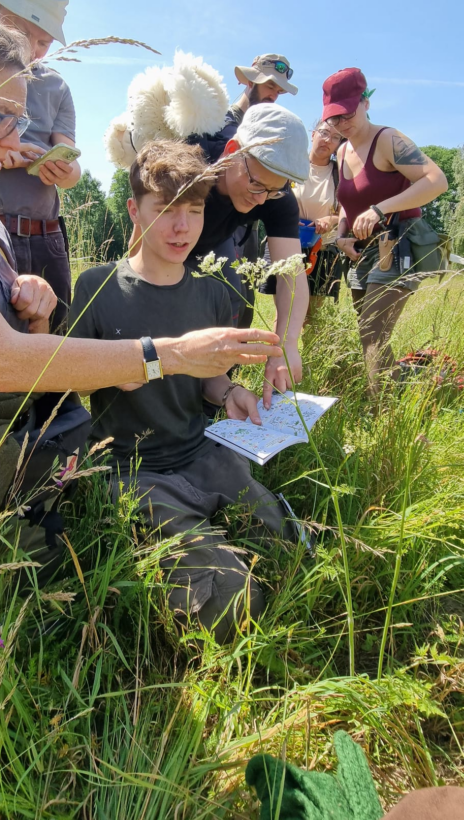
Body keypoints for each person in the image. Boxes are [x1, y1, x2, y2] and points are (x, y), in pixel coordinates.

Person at [0, 0, 282, 633]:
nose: (17, 140)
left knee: (285, 545)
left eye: (21, 120)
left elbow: (24, 359)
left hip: (12, 458)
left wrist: (34, 308)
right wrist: (170, 355)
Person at [70, 140, 298, 642]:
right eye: (165, 210)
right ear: (134, 210)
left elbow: (208, 376)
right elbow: (70, 378)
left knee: (288, 546)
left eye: (194, 211)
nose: (182, 228)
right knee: (232, 604)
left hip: (202, 452)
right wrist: (119, 369)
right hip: (134, 470)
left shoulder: (212, 289)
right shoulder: (97, 287)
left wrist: (228, 393)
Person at [323, 68, 448, 391]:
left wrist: (381, 208)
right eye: (334, 118)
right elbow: (347, 205)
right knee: (369, 333)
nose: (342, 123)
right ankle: (417, 388)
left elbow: (437, 180)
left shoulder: (388, 140)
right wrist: (341, 236)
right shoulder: (342, 151)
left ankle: (381, 412)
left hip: (398, 242)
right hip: (362, 251)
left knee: (373, 333)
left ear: (366, 102)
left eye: (348, 113)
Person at [0, 0, 80, 332]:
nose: (33, 49)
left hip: (47, 237)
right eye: (23, 33)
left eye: (44, 41)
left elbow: (73, 170)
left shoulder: (56, 87)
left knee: (56, 335)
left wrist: (63, 168)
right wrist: (7, 150)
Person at [196, 53, 300, 328]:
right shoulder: (214, 125)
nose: (273, 95)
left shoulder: (273, 185)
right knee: (222, 289)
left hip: (247, 225)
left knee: (242, 296)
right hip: (205, 214)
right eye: (269, 86)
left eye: (279, 91)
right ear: (249, 81)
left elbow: (293, 273)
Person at [292, 121, 344, 319]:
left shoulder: (341, 174)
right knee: (287, 314)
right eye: (324, 133)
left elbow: (347, 213)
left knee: (312, 317)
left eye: (336, 137)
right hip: (287, 244)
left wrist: (331, 219)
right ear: (313, 134)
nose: (328, 140)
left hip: (323, 250)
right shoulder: (291, 164)